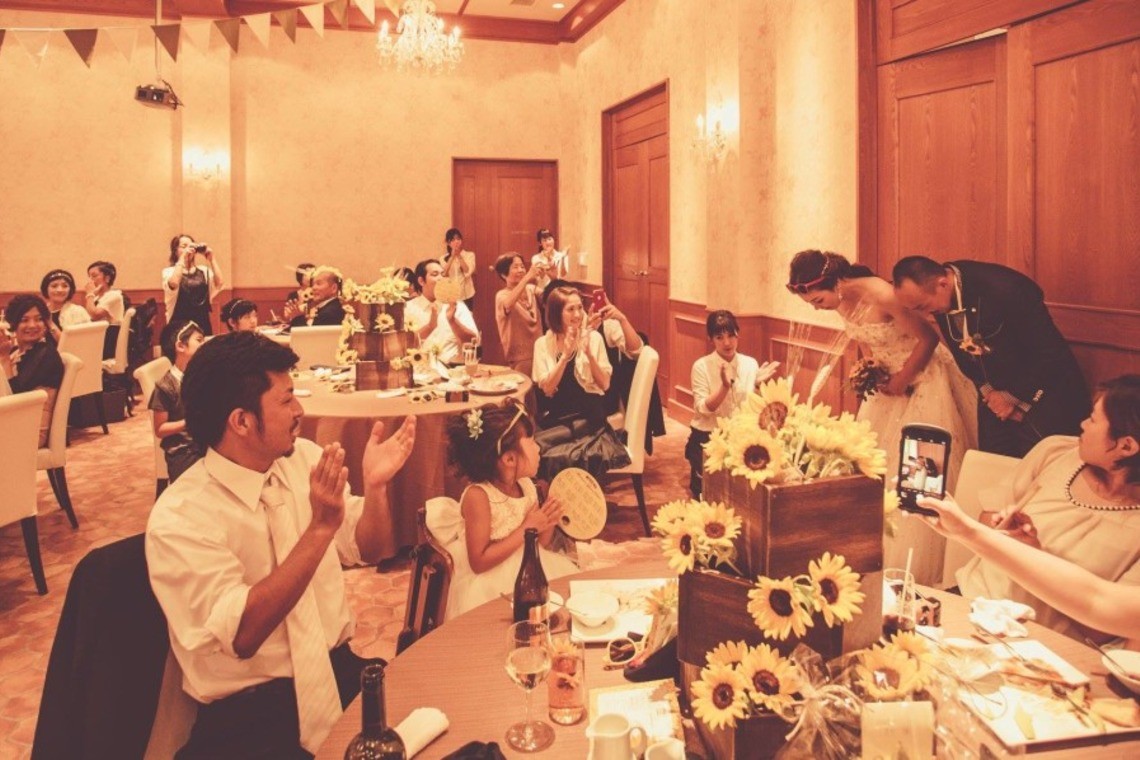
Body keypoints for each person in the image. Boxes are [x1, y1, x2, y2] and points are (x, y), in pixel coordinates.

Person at [145, 331, 417, 757]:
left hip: (337, 672)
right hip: (252, 714)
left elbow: (369, 547)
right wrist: (320, 529)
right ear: (242, 421)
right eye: (287, 400)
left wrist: (378, 489)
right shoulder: (181, 517)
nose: (300, 410)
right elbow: (243, 635)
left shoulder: (302, 460)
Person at [789, 250, 978, 584]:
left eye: (818, 300)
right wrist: (871, 369)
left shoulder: (882, 294)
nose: (817, 307)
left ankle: (911, 566)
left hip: (922, 381)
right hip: (887, 388)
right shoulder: (842, 299)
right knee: (872, 469)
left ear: (833, 281)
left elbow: (929, 338)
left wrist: (903, 378)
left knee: (914, 474)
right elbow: (868, 340)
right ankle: (867, 553)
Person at [948, 375, 1140, 641]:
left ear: (1126, 446)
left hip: (1043, 646)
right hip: (971, 601)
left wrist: (1033, 553)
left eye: (1094, 419)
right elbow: (987, 516)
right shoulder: (1056, 451)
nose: (1083, 424)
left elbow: (1106, 630)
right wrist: (1001, 527)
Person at [893, 255, 1089, 458]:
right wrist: (990, 394)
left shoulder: (1006, 289)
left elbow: (1050, 353)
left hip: (1043, 392)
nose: (925, 315)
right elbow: (962, 353)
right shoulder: (940, 299)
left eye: (922, 307)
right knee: (991, 466)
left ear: (942, 284)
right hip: (993, 397)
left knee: (1036, 471)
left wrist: (1012, 398)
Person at [431, 399, 578, 621]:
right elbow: (478, 561)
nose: (539, 448)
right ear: (509, 459)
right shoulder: (479, 497)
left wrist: (549, 519)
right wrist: (528, 527)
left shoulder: (527, 485)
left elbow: (540, 545)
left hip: (528, 571)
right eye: (532, 442)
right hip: (491, 583)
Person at [531, 285, 629, 481]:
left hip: (589, 419)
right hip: (556, 418)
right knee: (533, 448)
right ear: (556, 313)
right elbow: (548, 388)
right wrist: (565, 357)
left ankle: (575, 505)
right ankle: (559, 503)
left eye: (579, 308)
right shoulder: (542, 344)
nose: (577, 314)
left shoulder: (593, 338)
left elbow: (605, 385)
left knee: (544, 449)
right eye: (570, 309)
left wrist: (589, 355)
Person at [686, 311, 779, 498]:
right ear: (710, 339)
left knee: (747, 491)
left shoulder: (750, 364)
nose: (727, 343)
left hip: (740, 436)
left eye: (731, 335)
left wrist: (759, 385)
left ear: (738, 334)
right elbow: (703, 410)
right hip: (708, 437)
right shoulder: (701, 366)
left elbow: (752, 406)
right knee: (710, 493)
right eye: (719, 337)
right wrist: (724, 387)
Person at [1, 294, 64, 446]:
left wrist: (4, 359)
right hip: (13, 421)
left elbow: (18, 396)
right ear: (13, 324)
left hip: (30, 431)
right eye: (24, 320)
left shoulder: (46, 354)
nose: (33, 325)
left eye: (39, 319)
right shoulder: (17, 351)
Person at [150, 321, 207, 483]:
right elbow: (160, 429)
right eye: (199, 340)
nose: (203, 344)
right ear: (181, 346)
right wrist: (188, 422)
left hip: (204, 444)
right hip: (184, 452)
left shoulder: (201, 376)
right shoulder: (166, 386)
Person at [405, 258, 478, 364]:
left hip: (453, 371)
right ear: (421, 281)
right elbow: (404, 345)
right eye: (435, 274)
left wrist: (453, 321)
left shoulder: (457, 305)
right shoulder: (408, 308)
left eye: (443, 274)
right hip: (420, 371)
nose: (441, 278)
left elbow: (472, 340)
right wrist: (430, 327)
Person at [493, 253, 543, 375]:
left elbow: (551, 297)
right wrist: (527, 277)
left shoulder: (531, 289)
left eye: (522, 266)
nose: (521, 270)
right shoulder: (501, 295)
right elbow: (508, 304)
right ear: (504, 274)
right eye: (515, 267)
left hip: (541, 351)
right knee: (525, 391)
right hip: (520, 358)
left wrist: (552, 276)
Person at [164, 235, 223, 336]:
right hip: (179, 326)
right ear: (175, 251)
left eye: (191, 246)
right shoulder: (169, 272)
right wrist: (182, 258)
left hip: (202, 324)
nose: (188, 249)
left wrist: (211, 259)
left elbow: (219, 283)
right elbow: (173, 283)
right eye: (184, 246)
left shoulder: (204, 271)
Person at [84, 260, 125, 359]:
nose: (90, 281)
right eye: (89, 277)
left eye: (94, 276)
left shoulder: (114, 295)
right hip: (99, 337)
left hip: (109, 339)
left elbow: (95, 315)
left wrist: (89, 294)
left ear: (107, 278)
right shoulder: (97, 297)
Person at [40, 269, 90, 344]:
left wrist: (50, 324)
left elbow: (73, 345)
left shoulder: (78, 312)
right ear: (46, 289)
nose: (60, 290)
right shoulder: (40, 311)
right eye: (54, 286)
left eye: (65, 286)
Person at [441, 228, 477, 312]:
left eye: (458, 239)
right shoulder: (443, 258)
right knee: (452, 317)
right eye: (453, 240)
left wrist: (459, 256)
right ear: (448, 242)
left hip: (466, 294)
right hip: (450, 294)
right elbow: (443, 274)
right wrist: (452, 257)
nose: (456, 242)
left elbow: (467, 271)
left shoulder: (469, 255)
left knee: (467, 318)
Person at [531, 228, 568, 294]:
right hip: (542, 292)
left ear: (553, 240)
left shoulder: (561, 255)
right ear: (540, 243)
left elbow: (563, 274)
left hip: (558, 292)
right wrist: (547, 260)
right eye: (544, 240)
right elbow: (539, 278)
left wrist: (563, 257)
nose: (548, 242)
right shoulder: (536, 258)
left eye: (549, 239)